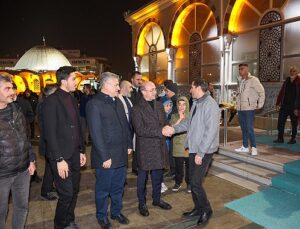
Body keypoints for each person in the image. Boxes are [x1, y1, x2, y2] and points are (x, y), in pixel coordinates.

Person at [163, 78, 219, 226]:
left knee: (195, 182)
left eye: (192, 87)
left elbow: (211, 131)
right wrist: (173, 129)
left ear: (199, 88)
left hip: (204, 150)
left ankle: (206, 210)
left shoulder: (210, 104)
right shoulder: (196, 102)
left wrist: (201, 153)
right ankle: (198, 208)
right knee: (193, 182)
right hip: (194, 148)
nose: (190, 90)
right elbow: (188, 123)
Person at [86, 72, 132, 229]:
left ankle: (116, 212)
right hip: (106, 157)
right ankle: (102, 216)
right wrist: (104, 156)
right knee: (103, 190)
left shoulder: (117, 101)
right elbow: (96, 133)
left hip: (121, 154)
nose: (118, 88)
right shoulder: (94, 104)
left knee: (118, 187)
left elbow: (124, 125)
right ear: (105, 85)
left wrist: (128, 144)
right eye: (115, 85)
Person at [43, 66, 86, 229]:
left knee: (74, 190)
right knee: (66, 193)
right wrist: (59, 159)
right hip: (60, 156)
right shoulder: (51, 101)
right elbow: (50, 134)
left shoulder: (73, 98)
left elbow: (77, 126)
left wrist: (82, 150)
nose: (77, 82)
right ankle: (59, 225)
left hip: (75, 153)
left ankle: (69, 220)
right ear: (63, 81)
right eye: (74, 79)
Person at [0, 74, 36, 229]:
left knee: (22, 207)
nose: (12, 91)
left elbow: (25, 138)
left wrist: (32, 159)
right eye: (7, 88)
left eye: (12, 87)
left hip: (22, 170)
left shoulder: (17, 110)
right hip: (2, 175)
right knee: (1, 212)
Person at [132, 81, 172, 218]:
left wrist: (168, 127)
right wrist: (161, 131)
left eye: (155, 89)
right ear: (143, 92)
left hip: (159, 147)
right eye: (152, 90)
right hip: (146, 149)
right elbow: (140, 130)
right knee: (142, 179)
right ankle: (142, 203)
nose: (155, 92)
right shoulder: (136, 109)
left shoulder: (159, 105)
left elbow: (164, 122)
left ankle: (156, 199)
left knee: (157, 177)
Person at [234, 63, 265, 156]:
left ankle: (254, 147)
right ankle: (245, 146)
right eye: (239, 69)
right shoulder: (240, 81)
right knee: (243, 129)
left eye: (242, 69)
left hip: (249, 108)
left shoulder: (253, 80)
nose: (240, 71)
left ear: (247, 70)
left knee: (249, 129)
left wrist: (260, 104)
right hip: (240, 108)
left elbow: (261, 92)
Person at [37, 84, 58, 201]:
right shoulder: (45, 106)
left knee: (50, 168)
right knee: (50, 169)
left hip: (47, 142)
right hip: (48, 143)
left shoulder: (45, 104)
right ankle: (45, 191)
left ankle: (48, 187)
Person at [273, 66, 300, 144]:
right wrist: (277, 103)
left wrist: (298, 108)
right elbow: (281, 92)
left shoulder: (299, 81)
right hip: (284, 105)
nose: (292, 72)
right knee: (281, 122)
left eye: (294, 71)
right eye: (291, 71)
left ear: (297, 72)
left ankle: (293, 139)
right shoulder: (286, 81)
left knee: (294, 124)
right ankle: (280, 138)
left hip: (294, 107)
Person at [169, 96, 190, 193]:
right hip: (177, 145)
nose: (181, 107)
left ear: (187, 105)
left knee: (189, 167)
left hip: (188, 145)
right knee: (178, 167)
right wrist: (180, 119)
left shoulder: (191, 115)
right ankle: (178, 182)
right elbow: (171, 130)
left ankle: (189, 183)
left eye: (184, 104)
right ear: (177, 106)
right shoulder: (174, 116)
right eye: (179, 104)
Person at [130, 71, 143, 176]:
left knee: (138, 145)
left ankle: (137, 167)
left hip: (140, 122)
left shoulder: (141, 91)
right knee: (132, 146)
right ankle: (135, 167)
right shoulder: (129, 92)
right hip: (131, 123)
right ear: (132, 80)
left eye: (141, 79)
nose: (140, 81)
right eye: (137, 79)